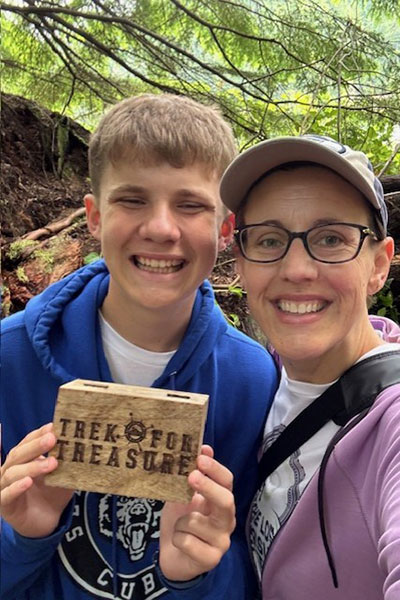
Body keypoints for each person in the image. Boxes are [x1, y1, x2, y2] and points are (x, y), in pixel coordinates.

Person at [0, 94, 278, 600]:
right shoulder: (9, 360)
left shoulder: (252, 379)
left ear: (224, 228)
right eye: (132, 200)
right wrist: (22, 537)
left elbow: (246, 561)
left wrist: (196, 575)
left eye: (190, 205)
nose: (161, 229)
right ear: (94, 216)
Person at [216, 134, 399, 599]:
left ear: (379, 265)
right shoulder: (258, 380)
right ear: (241, 263)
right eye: (269, 239)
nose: (296, 269)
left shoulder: (391, 422)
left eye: (331, 238)